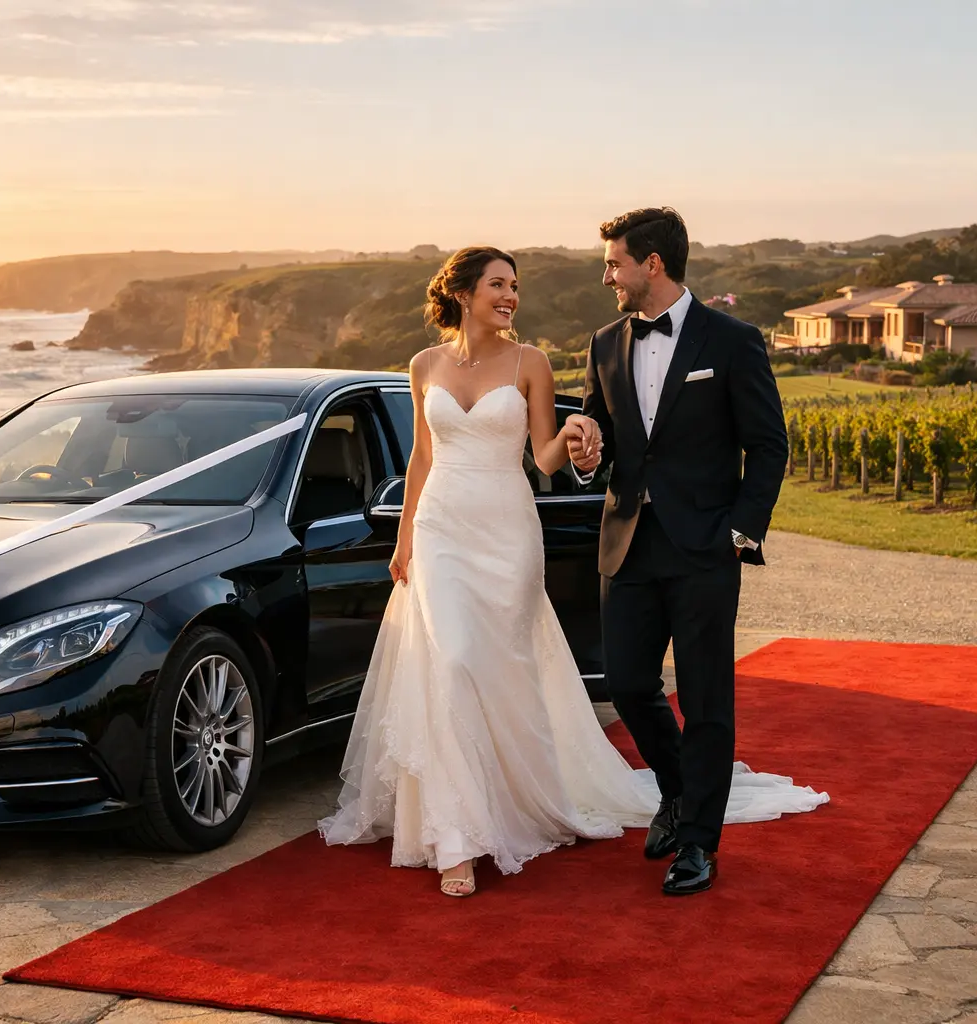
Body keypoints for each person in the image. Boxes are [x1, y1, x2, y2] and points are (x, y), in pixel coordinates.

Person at [318, 245, 825, 898]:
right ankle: (457, 838)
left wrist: (579, 438)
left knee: (494, 670)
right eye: (498, 285)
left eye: (516, 286)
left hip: (506, 530)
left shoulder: (531, 363)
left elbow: (545, 460)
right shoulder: (423, 365)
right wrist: (406, 536)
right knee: (451, 664)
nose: (510, 297)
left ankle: (515, 804)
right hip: (442, 529)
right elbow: (421, 456)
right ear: (463, 292)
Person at [569, 207, 799, 894]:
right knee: (627, 684)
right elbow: (598, 438)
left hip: (704, 548)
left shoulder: (732, 341)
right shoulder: (605, 341)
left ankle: (699, 841)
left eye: (614, 263)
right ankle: (677, 790)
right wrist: (585, 459)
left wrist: (741, 530)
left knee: (706, 700)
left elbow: (768, 446)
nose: (606, 274)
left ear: (653, 265)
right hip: (627, 543)